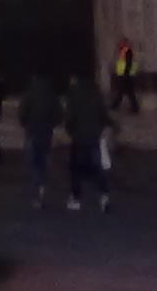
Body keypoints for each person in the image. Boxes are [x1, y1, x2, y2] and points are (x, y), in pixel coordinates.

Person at [62, 70, 112, 213]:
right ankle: (104, 196)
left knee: (76, 169)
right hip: (94, 136)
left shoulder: (74, 94)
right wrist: (106, 126)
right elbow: (103, 114)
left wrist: (70, 130)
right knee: (98, 167)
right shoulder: (96, 93)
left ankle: (76, 199)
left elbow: (70, 117)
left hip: (79, 137)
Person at [18, 72, 61, 209]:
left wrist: (25, 123)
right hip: (46, 131)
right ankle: (42, 185)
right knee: (43, 159)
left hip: (32, 130)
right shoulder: (52, 96)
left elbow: (22, 113)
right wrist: (52, 124)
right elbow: (59, 115)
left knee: (33, 161)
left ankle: (36, 190)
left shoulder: (29, 94)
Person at [110, 37, 139, 114]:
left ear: (124, 43)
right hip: (126, 75)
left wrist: (125, 74)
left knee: (123, 92)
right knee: (128, 92)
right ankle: (135, 108)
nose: (119, 44)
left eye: (121, 42)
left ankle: (115, 106)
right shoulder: (124, 51)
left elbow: (128, 64)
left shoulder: (127, 51)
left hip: (126, 75)